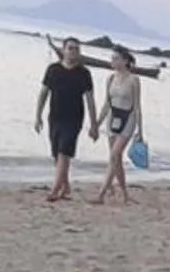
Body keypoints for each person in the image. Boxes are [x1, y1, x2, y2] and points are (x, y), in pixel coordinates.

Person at [34, 38, 94, 202]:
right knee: (56, 154)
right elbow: (44, 93)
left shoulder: (84, 73)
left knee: (64, 152)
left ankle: (55, 190)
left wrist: (94, 124)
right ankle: (65, 185)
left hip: (74, 119)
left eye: (76, 49)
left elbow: (90, 99)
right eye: (70, 48)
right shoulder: (53, 69)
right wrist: (38, 115)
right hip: (55, 116)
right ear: (63, 50)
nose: (73, 52)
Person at [95, 46, 143, 205]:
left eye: (116, 58)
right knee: (116, 159)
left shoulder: (134, 80)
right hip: (112, 117)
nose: (113, 61)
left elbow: (137, 106)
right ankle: (125, 194)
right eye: (112, 58)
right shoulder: (110, 78)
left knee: (114, 155)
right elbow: (106, 104)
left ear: (125, 61)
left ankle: (101, 194)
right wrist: (96, 124)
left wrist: (140, 131)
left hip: (128, 118)